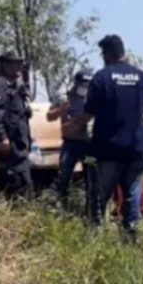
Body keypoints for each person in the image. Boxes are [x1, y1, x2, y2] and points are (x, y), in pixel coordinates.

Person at [69, 34, 143, 241]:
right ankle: (130, 235)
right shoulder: (142, 76)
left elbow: (89, 112)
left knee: (101, 193)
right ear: (123, 52)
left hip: (109, 147)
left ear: (107, 54)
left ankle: (95, 235)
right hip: (136, 147)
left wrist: (74, 125)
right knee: (132, 192)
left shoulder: (102, 77)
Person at [0, 51, 34, 199]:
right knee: (19, 178)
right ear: (5, 65)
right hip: (10, 140)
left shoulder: (17, 86)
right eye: (15, 63)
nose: (18, 67)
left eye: (20, 64)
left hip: (20, 140)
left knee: (19, 178)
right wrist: (2, 137)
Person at [47, 69, 96, 209]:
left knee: (91, 177)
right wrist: (60, 110)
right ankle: (62, 205)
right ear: (76, 82)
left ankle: (90, 209)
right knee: (64, 175)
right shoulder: (64, 97)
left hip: (89, 144)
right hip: (70, 144)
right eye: (82, 84)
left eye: (87, 84)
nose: (85, 87)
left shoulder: (92, 97)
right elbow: (49, 117)